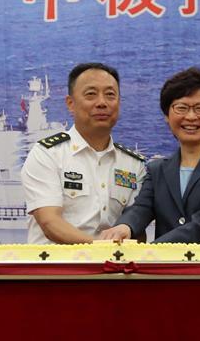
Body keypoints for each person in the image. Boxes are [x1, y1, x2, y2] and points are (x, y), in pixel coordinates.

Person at [100, 67, 200, 244]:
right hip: (170, 269)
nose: (191, 117)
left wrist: (153, 250)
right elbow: (141, 208)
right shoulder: (157, 169)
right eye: (181, 108)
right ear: (167, 116)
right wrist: (124, 227)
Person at [22, 63, 147, 244]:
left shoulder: (133, 164)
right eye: (91, 94)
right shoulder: (47, 154)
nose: (102, 103)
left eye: (110, 95)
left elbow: (136, 226)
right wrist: (98, 249)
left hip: (114, 268)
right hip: (58, 267)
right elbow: (50, 222)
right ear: (70, 104)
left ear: (119, 103)